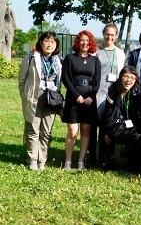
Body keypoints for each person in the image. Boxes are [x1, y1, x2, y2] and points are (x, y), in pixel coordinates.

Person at [19, 31, 62, 170]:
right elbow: (22, 80)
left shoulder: (59, 60)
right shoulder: (31, 57)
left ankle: (42, 160)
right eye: (46, 41)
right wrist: (25, 96)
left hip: (51, 99)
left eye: (52, 42)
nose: (49, 44)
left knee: (46, 132)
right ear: (41, 42)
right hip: (34, 97)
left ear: (56, 45)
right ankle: (32, 159)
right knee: (33, 129)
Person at [61, 30, 101, 170]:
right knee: (72, 130)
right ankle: (68, 161)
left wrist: (91, 96)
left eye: (87, 40)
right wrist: (76, 95)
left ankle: (80, 162)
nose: (85, 43)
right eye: (82, 40)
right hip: (73, 98)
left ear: (91, 43)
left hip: (89, 100)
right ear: (78, 42)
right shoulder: (69, 58)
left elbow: (97, 82)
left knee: (85, 130)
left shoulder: (95, 60)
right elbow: (65, 79)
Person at [93, 23, 125, 166]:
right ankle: (95, 157)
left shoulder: (120, 52)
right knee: (96, 126)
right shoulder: (96, 51)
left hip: (112, 92)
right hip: (97, 92)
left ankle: (109, 156)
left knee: (110, 125)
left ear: (116, 36)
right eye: (107, 34)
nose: (109, 37)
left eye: (112, 35)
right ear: (103, 34)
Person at [101, 66, 141, 170]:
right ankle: (110, 162)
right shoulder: (113, 90)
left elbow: (139, 114)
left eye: (132, 77)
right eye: (125, 76)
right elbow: (108, 111)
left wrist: (139, 129)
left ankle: (133, 164)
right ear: (120, 77)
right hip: (115, 122)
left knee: (138, 136)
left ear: (136, 79)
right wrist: (107, 131)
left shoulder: (137, 91)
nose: (128, 80)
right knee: (108, 135)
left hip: (130, 123)